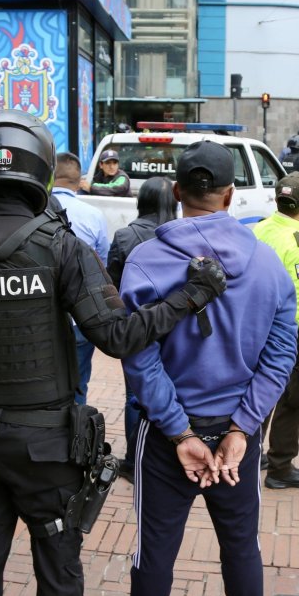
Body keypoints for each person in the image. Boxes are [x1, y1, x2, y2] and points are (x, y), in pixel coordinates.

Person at [0, 110, 226, 596]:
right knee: (57, 570)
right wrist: (190, 296)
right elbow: (118, 337)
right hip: (47, 447)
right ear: (42, 169)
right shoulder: (60, 245)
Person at [118, 140, 296, 596]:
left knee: (154, 552)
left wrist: (179, 430)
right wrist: (242, 427)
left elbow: (139, 358)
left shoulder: (146, 260)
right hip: (235, 431)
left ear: (176, 192)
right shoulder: (266, 263)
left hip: (166, 434)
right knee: (241, 546)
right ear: (230, 194)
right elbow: (280, 355)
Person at [253, 172, 299, 490]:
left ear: (277, 200)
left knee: (261, 393)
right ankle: (281, 467)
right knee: (296, 395)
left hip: (257, 328)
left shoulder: (260, 229)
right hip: (290, 335)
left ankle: (251, 454)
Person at [108, 176, 179, 479]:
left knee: (134, 395)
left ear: (142, 201)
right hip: (176, 325)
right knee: (173, 388)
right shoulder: (182, 236)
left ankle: (132, 459)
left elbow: (111, 285)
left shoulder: (125, 236)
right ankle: (168, 452)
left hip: (136, 327)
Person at [53, 151, 110, 405]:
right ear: (78, 182)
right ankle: (77, 427)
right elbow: (102, 265)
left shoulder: (34, 211)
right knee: (79, 383)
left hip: (40, 319)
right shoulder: (93, 215)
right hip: (81, 317)